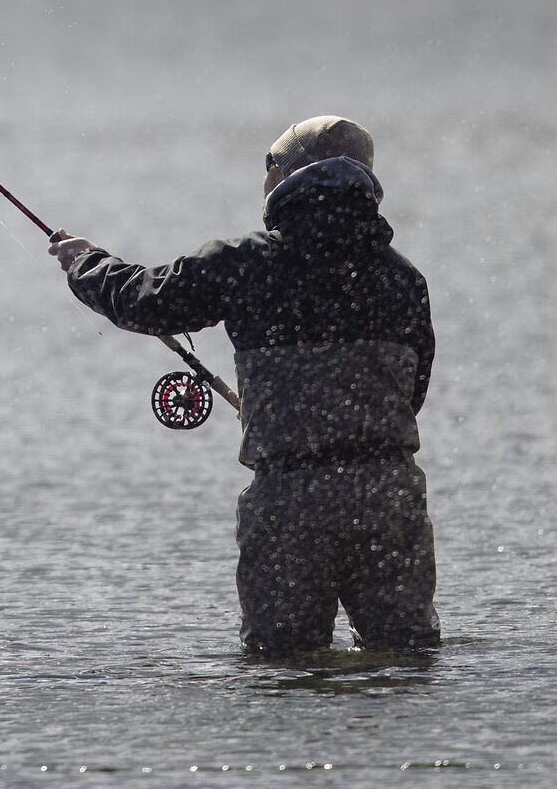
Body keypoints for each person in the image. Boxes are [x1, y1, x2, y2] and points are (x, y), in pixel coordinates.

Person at [49, 115, 440, 656]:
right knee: (406, 659)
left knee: (280, 666)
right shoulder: (402, 277)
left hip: (290, 499)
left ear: (284, 173)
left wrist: (86, 264)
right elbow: (411, 393)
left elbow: (143, 302)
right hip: (389, 495)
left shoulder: (248, 263)